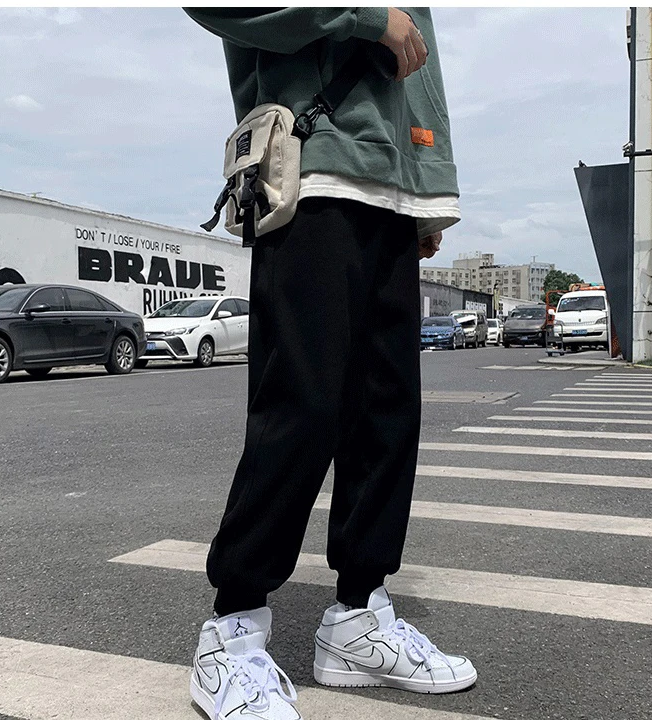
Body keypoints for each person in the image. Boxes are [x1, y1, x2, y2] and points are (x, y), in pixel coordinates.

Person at [182, 8, 476, 719]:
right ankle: (231, 632)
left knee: (386, 415)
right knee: (301, 406)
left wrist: (425, 191)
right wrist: (366, 16)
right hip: (311, 172)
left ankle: (359, 619)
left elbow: (417, 75)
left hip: (390, 188)